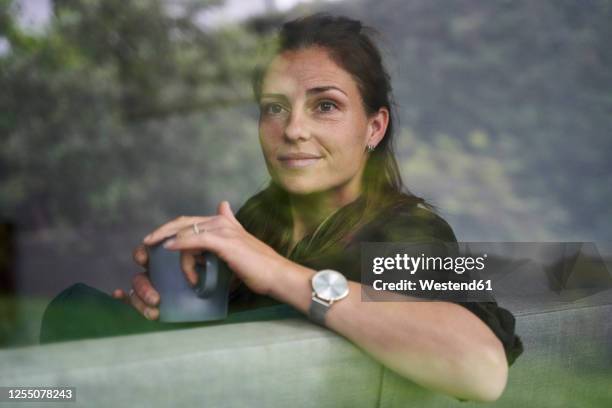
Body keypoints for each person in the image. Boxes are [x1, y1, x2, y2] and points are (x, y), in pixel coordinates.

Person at [40, 14, 522, 402]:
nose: (292, 129)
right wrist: (178, 310)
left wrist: (276, 273)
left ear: (374, 128)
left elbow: (480, 370)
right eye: (273, 107)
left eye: (325, 106)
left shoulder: (413, 228)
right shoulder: (259, 215)